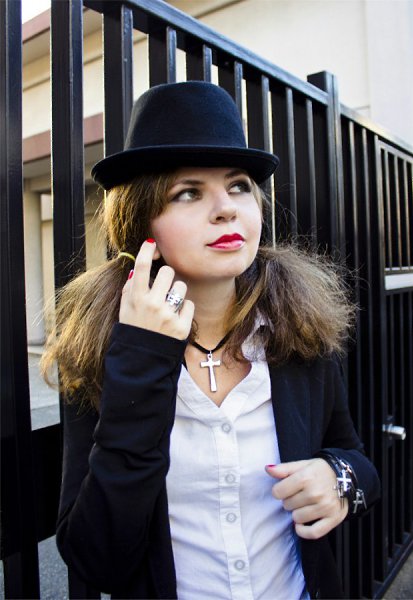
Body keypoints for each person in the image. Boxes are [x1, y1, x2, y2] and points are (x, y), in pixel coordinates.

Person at [42, 81, 380, 600]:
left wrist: (338, 479)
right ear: (141, 223)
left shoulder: (299, 332)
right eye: (188, 192)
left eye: (239, 186)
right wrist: (141, 363)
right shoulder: (99, 352)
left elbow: (357, 460)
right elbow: (96, 558)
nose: (226, 209)